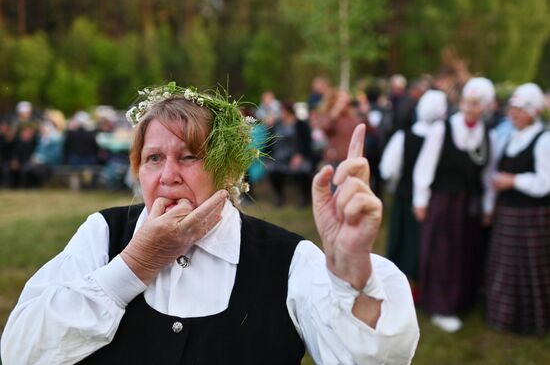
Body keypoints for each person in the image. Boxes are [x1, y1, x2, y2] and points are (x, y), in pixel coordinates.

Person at [1, 82, 419, 364]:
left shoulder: (287, 260)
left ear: (227, 170)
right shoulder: (103, 234)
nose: (167, 175)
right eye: (152, 159)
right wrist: (135, 265)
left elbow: (368, 358)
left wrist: (352, 277)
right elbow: (21, 351)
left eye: (188, 157)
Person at [413, 77, 495, 333]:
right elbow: (424, 166)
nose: (470, 108)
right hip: (443, 202)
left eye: (476, 103)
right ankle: (440, 306)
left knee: (464, 254)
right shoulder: (443, 129)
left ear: (485, 106)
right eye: (467, 102)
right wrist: (421, 199)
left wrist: (488, 206)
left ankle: (461, 301)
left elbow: (488, 175)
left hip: (468, 206)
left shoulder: (486, 135)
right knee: (443, 254)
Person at [485, 83, 550, 335]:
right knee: (506, 267)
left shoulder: (544, 140)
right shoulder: (511, 137)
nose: (512, 113)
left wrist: (513, 181)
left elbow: (546, 182)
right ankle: (505, 316)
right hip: (509, 212)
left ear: (533, 112)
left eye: (519, 109)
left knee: (531, 270)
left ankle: (532, 320)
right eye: (511, 108)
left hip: (532, 215)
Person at [380, 90, 448, 299]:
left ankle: (403, 285)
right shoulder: (446, 137)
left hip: (406, 195)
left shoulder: (405, 136)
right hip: (434, 199)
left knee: (404, 240)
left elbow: (388, 169)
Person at [265, 101, 313, 207]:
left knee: (303, 169)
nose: (280, 114)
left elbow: (307, 142)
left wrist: (299, 155)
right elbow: (269, 141)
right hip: (279, 156)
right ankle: (279, 196)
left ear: (288, 111)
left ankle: (304, 197)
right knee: (271, 169)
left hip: (296, 156)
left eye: (281, 111)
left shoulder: (301, 124)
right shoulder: (277, 124)